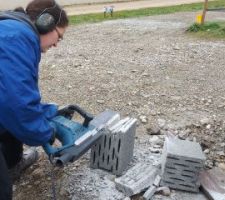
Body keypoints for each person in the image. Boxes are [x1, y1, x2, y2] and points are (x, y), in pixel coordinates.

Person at [0, 0, 70, 199]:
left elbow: (13, 92)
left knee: (10, 125)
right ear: (45, 23)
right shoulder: (17, 37)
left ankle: (12, 164)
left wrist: (47, 111)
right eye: (59, 37)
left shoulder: (12, 31)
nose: (56, 44)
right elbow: (15, 105)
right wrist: (45, 133)